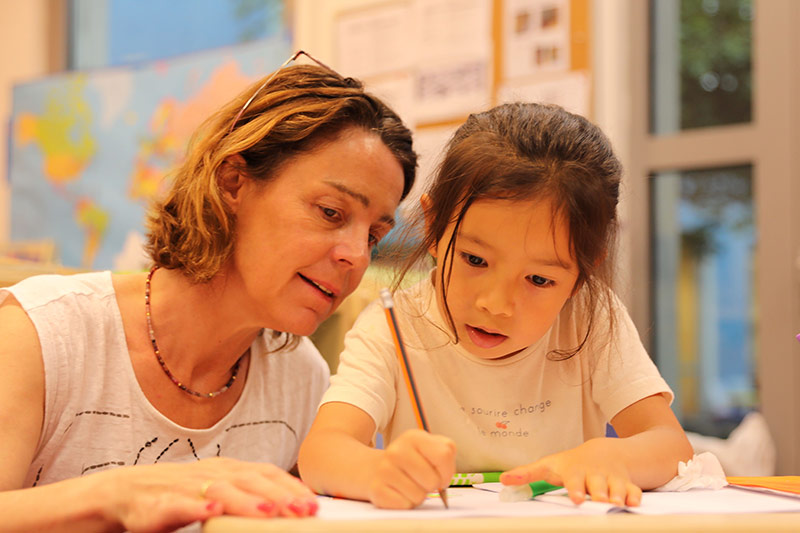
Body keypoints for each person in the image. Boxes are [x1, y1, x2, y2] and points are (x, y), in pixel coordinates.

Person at [0, 52, 417, 532]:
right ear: (232, 182)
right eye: (330, 212)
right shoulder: (43, 335)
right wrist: (119, 495)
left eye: (374, 236)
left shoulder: (300, 378)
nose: (357, 257)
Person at [298, 102, 694, 510]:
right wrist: (377, 470)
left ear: (583, 271)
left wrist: (611, 457)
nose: (496, 305)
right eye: (475, 260)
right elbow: (321, 453)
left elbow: (672, 446)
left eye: (538, 280)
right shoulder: (391, 326)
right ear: (434, 227)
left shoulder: (590, 320)